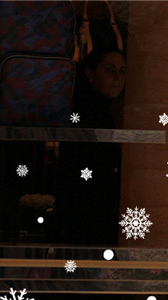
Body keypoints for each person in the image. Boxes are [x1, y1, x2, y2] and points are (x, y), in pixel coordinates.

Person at [54, 48, 126, 245]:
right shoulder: (88, 111)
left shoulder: (103, 110)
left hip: (90, 212)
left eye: (122, 71)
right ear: (90, 73)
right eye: (109, 69)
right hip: (86, 214)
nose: (117, 77)